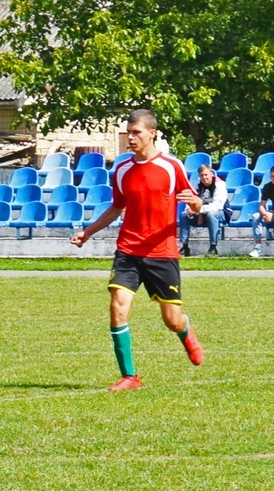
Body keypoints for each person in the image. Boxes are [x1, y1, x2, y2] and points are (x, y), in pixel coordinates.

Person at [71, 109, 206, 391]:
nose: (130, 138)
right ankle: (130, 376)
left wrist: (194, 204)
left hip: (162, 252)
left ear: (152, 133)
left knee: (171, 319)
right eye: (129, 132)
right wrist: (88, 231)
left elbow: (194, 203)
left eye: (136, 133)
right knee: (117, 307)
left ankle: (185, 329)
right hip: (128, 250)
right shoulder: (121, 170)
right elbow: (116, 208)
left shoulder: (172, 167)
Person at [179, 164, 229, 257]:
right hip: (201, 212)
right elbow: (191, 199)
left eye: (206, 175)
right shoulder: (197, 184)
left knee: (211, 214)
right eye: (202, 175)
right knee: (184, 215)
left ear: (211, 174)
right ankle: (185, 247)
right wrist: (189, 209)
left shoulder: (220, 184)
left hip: (221, 213)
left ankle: (213, 247)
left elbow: (217, 205)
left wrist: (198, 210)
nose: (204, 177)